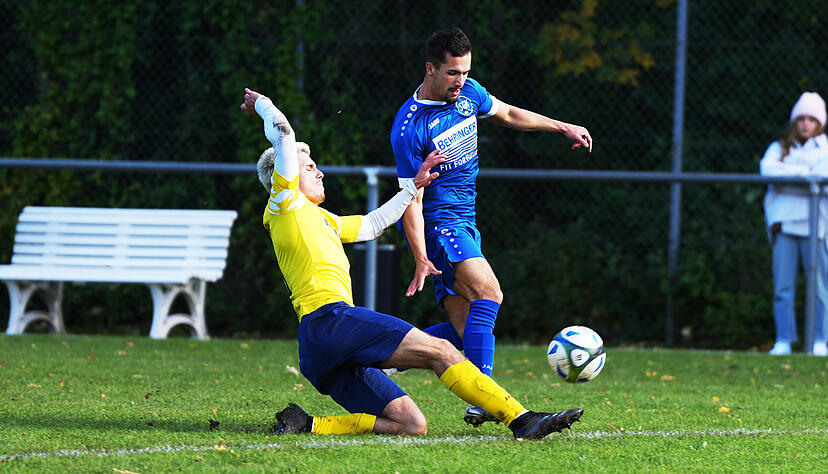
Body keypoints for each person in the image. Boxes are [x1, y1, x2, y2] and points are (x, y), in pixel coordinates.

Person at [240, 87, 584, 438]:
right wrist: (262, 105)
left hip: (319, 347)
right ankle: (522, 420)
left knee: (411, 424)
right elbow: (283, 132)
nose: (319, 172)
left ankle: (307, 425)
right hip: (331, 321)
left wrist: (413, 187)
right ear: (284, 177)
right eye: (309, 167)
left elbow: (373, 224)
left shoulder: (322, 219)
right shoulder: (284, 203)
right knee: (442, 351)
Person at [389, 27, 593, 425]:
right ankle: (485, 397)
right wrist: (419, 256)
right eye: (452, 73)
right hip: (440, 226)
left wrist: (562, 126)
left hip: (466, 220)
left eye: (465, 72)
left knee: (464, 333)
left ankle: (377, 356)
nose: (460, 81)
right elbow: (409, 199)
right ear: (430, 69)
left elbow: (509, 113)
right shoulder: (408, 126)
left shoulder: (468, 94)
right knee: (489, 292)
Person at [760, 91, 828, 356]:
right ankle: (784, 340)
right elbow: (768, 171)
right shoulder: (778, 148)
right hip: (785, 226)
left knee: (820, 288)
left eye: (812, 119)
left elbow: (825, 178)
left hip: (817, 228)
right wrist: (807, 177)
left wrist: (792, 179)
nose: (806, 124)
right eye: (801, 118)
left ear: (819, 122)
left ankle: (820, 340)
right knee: (783, 287)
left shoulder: (825, 149)